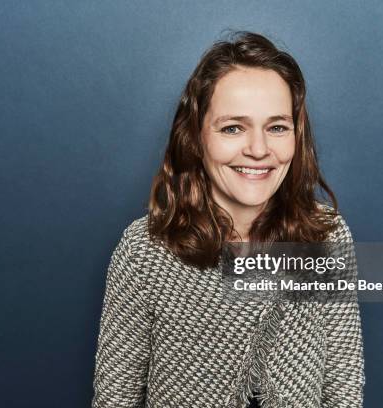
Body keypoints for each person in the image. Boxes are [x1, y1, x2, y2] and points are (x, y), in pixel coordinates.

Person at [92, 31, 364, 408]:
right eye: (233, 127)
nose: (257, 149)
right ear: (195, 138)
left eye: (277, 127)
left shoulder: (328, 236)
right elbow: (114, 398)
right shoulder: (144, 252)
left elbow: (343, 381)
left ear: (296, 137)